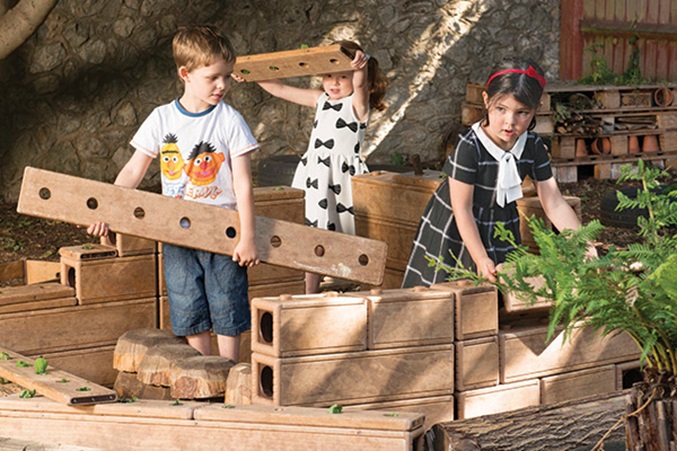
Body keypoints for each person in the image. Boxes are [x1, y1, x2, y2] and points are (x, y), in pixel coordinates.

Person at [87, 25, 260, 362]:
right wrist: (106, 211)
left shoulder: (230, 120)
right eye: (213, 77)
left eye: (227, 75)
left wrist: (248, 236)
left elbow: (243, 184)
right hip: (176, 232)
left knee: (226, 303)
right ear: (186, 74)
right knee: (188, 304)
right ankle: (203, 376)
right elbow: (133, 171)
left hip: (223, 231)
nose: (223, 85)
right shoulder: (161, 118)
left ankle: (228, 374)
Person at [402, 56, 597, 288]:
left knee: (503, 290)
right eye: (501, 109)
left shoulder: (533, 146)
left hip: (503, 224)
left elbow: (553, 201)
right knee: (453, 292)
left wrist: (582, 242)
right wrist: (480, 257)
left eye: (522, 113)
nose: (509, 122)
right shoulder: (470, 146)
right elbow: (462, 208)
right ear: (486, 101)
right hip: (459, 226)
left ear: (537, 109)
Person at [246, 40, 389, 294]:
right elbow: (279, 89)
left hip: (341, 180)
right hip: (314, 176)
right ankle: (308, 291)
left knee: (343, 232)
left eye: (342, 76)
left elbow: (359, 83)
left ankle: (352, 283)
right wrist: (251, 72)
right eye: (329, 75)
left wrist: (360, 67)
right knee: (313, 232)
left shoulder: (357, 104)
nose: (334, 83)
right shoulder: (320, 99)